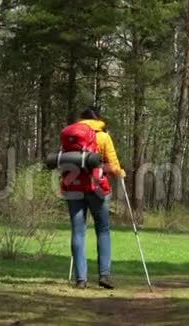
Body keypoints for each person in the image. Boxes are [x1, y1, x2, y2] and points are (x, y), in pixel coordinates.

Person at [66, 105, 125, 289]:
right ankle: (104, 275)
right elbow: (113, 164)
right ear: (98, 119)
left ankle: (81, 279)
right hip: (96, 187)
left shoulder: (71, 136)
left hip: (73, 187)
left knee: (77, 231)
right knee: (103, 230)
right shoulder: (103, 136)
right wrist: (119, 172)